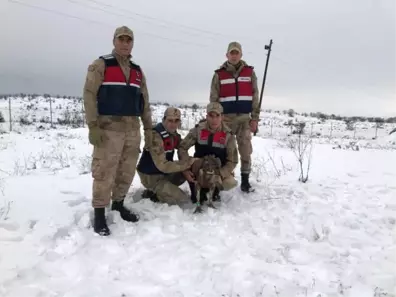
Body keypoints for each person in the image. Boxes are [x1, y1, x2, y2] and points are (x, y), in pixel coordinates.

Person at [83, 25, 153, 236]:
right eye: (121, 39)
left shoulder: (137, 71)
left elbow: (144, 102)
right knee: (105, 171)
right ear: (114, 41)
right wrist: (93, 125)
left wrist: (148, 128)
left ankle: (119, 204)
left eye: (128, 40)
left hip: (132, 129)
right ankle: (99, 213)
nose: (125, 43)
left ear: (132, 43)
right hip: (108, 129)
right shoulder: (101, 65)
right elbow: (89, 95)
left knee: (126, 169)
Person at [209, 41, 260, 193]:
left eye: (237, 53)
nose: (234, 55)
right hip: (226, 120)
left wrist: (255, 118)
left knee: (245, 150)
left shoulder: (249, 73)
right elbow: (214, 98)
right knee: (223, 150)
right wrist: (215, 118)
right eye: (232, 53)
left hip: (244, 119)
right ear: (227, 55)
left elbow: (255, 96)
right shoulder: (219, 74)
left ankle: (245, 181)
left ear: (241, 55)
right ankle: (221, 180)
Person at [178, 102, 238, 203]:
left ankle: (215, 190)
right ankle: (196, 189)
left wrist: (221, 173)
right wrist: (186, 167)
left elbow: (233, 161)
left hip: (217, 169)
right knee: (196, 199)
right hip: (198, 168)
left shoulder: (228, 135)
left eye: (217, 116)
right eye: (211, 116)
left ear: (222, 117)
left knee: (230, 182)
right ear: (207, 116)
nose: (214, 119)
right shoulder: (198, 130)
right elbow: (182, 148)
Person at [136, 107, 197, 205]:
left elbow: (182, 146)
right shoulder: (156, 136)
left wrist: (187, 166)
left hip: (163, 173)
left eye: (176, 121)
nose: (173, 124)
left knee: (189, 171)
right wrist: (185, 165)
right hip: (151, 176)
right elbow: (163, 165)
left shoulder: (172, 134)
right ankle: (153, 193)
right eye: (170, 120)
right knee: (182, 199)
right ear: (164, 120)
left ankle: (163, 189)